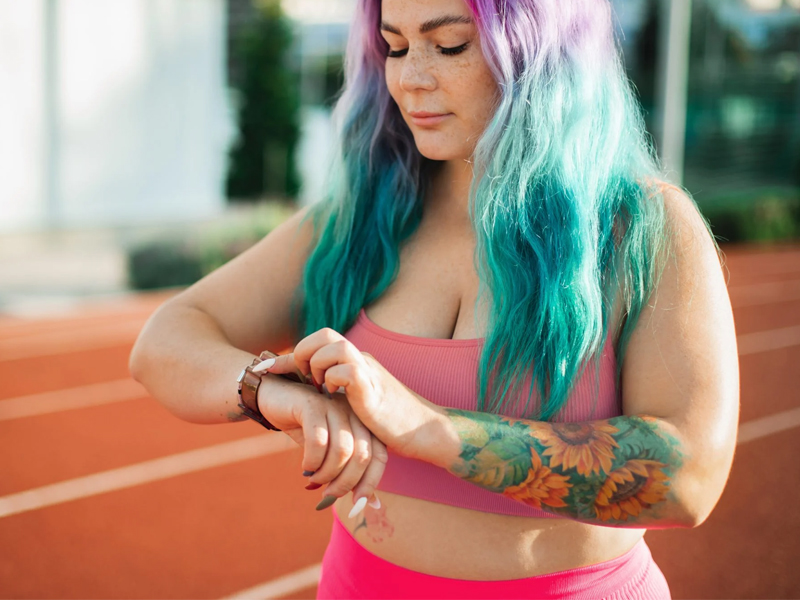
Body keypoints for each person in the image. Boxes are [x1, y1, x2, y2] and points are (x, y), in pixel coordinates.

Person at [129, 0, 740, 597]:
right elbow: (165, 340)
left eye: (449, 45)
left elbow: (690, 480)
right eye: (394, 46)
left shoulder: (644, 227)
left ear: (541, 52)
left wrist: (432, 427)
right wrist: (269, 391)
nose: (410, 79)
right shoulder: (356, 223)